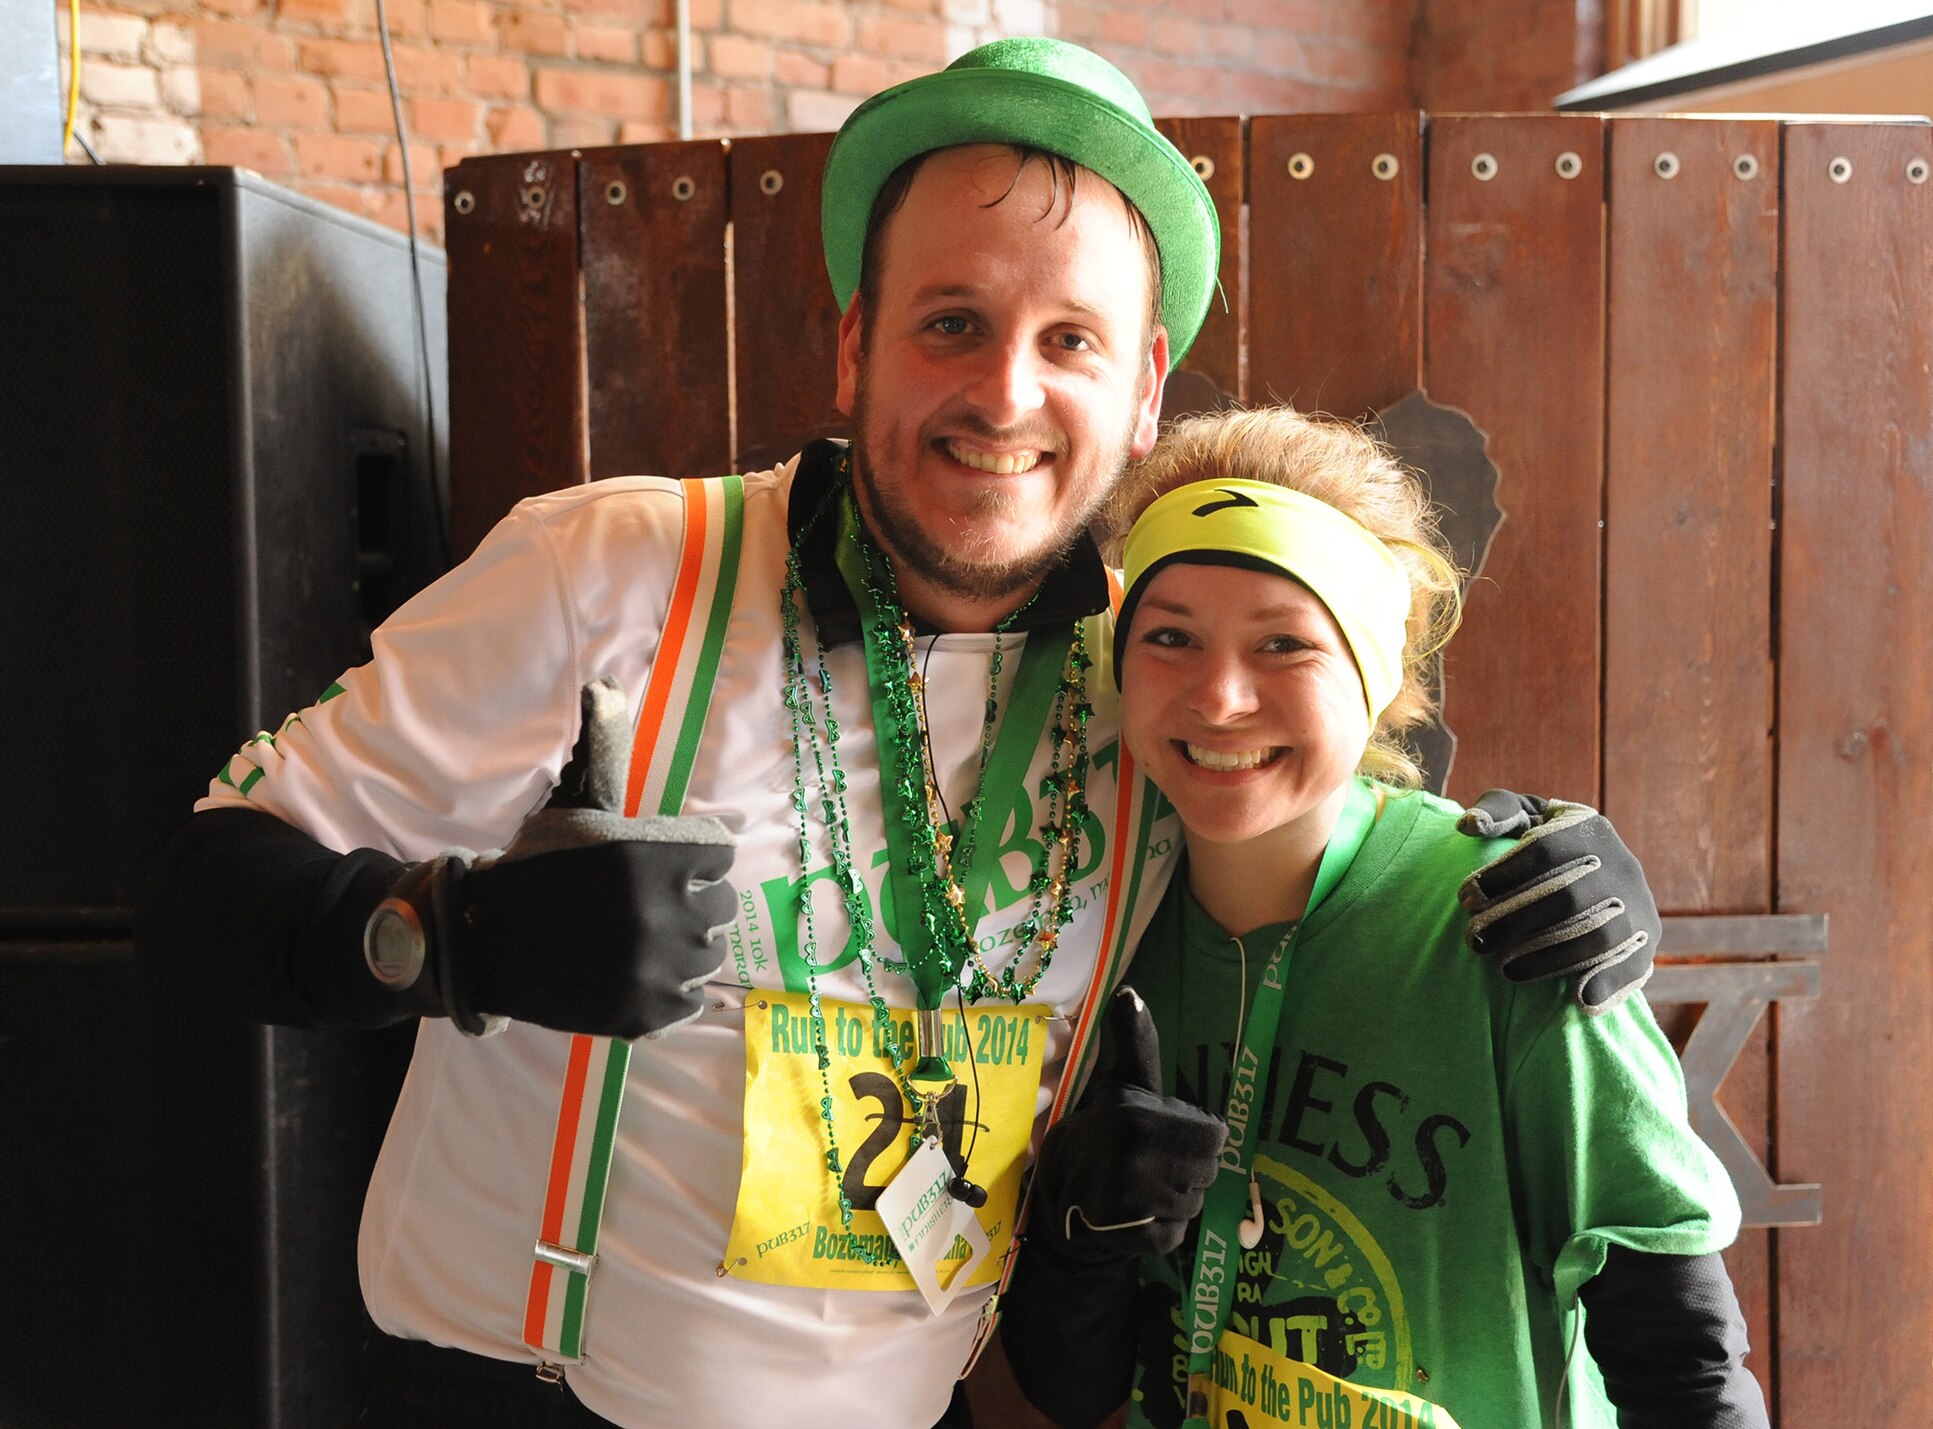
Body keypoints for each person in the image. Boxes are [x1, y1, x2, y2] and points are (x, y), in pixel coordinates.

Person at [137, 41, 1663, 1429]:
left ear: (1140, 397)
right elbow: (201, 902)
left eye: (1071, 341)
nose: (1005, 392)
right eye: (955, 322)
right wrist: (448, 933)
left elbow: (1333, 816)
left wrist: (1554, 872)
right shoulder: (605, 572)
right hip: (519, 1397)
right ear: (857, 345)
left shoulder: (1156, 666)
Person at [1001, 407, 1765, 1429]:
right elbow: (1073, 1385)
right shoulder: (1090, 919)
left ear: (1374, 681)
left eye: (1284, 643)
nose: (1219, 696)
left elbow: (1684, 1362)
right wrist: (1077, 1247)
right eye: (1170, 636)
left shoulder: (1512, 923)